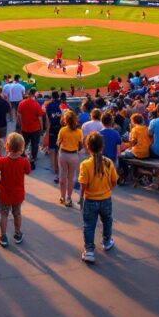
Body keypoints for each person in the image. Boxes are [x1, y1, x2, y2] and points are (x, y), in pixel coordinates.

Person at [79, 132, 118, 264]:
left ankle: (89, 250)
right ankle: (107, 241)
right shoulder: (108, 162)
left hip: (90, 199)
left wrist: (81, 199)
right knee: (107, 221)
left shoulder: (85, 164)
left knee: (89, 225)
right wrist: (107, 190)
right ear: (102, 147)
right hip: (106, 198)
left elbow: (83, 185)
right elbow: (114, 181)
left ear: (87, 147)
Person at [0, 132, 30, 247]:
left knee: (4, 214)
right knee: (17, 213)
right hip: (18, 194)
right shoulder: (24, 161)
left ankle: (3, 236)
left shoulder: (3, 161)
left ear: (7, 147)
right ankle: (18, 234)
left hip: (5, 194)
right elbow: (28, 171)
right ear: (21, 147)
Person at [57, 109, 83, 207]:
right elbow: (80, 146)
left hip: (63, 154)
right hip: (73, 155)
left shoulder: (62, 130)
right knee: (71, 177)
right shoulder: (79, 132)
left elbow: (58, 143)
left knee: (63, 175)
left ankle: (62, 197)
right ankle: (69, 197)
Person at [17, 88, 44, 169]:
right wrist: (41, 128)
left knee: (24, 145)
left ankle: (21, 161)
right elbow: (40, 118)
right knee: (34, 146)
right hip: (35, 129)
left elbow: (19, 116)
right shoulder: (36, 104)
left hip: (25, 128)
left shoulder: (22, 103)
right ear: (33, 94)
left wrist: (20, 125)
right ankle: (32, 162)